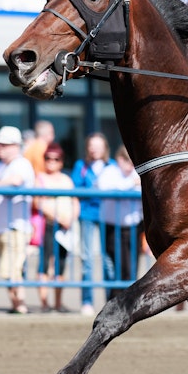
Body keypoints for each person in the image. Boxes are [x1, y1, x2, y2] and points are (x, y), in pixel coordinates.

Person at [0, 125, 36, 314]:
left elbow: (16, 181)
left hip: (16, 226)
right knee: (6, 270)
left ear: (15, 146)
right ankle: (15, 304)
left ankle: (20, 305)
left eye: (4, 144)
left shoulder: (22, 163)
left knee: (13, 268)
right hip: (0, 226)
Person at [33, 142, 79, 313]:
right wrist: (59, 217)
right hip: (48, 225)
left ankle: (58, 303)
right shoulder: (40, 178)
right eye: (48, 158)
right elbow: (38, 202)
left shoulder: (67, 180)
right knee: (44, 264)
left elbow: (75, 202)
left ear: (61, 161)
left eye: (56, 159)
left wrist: (71, 219)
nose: (52, 162)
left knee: (61, 265)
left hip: (64, 228)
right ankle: (44, 303)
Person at [71, 132, 112, 315]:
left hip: (107, 216)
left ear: (104, 148)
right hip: (87, 215)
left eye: (98, 146)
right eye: (91, 146)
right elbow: (75, 187)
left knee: (107, 260)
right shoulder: (81, 166)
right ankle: (86, 301)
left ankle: (111, 301)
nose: (94, 149)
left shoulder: (112, 166)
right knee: (87, 259)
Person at [97, 145, 142, 301]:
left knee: (131, 269)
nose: (131, 166)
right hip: (112, 228)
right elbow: (105, 189)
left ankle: (124, 303)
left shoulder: (136, 173)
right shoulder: (109, 172)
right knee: (120, 269)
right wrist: (131, 183)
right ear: (119, 159)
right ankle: (117, 302)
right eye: (128, 161)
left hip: (133, 227)